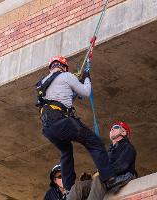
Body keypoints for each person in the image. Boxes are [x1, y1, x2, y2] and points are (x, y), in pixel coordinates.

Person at [36, 56, 121, 192]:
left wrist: (76, 84)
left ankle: (68, 189)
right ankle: (110, 179)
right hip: (62, 122)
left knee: (66, 150)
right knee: (94, 142)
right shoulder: (67, 76)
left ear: (51, 67)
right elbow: (86, 92)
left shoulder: (43, 82)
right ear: (63, 67)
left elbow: (63, 97)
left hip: (48, 128)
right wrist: (86, 78)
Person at [67, 121, 138, 200]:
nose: (112, 129)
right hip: (107, 178)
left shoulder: (127, 147)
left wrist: (102, 173)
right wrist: (92, 177)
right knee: (78, 186)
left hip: (123, 176)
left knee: (99, 178)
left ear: (124, 132)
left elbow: (121, 166)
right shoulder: (110, 151)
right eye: (111, 128)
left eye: (116, 127)